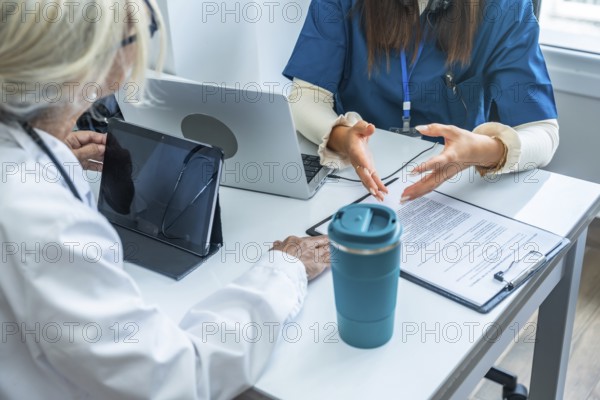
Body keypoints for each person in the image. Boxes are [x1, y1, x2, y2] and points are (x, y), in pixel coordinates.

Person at [0, 1, 329, 399]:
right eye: (143, 31)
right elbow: (178, 378)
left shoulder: (22, 172)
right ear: (94, 60)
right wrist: (283, 271)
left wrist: (52, 158)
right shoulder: (43, 219)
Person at [284, 0, 559, 202]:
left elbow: (544, 134)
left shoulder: (506, 8)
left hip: (455, 188)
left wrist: (486, 150)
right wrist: (342, 137)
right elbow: (306, 96)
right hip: (354, 181)